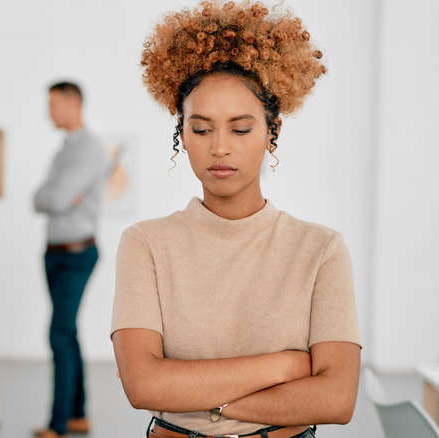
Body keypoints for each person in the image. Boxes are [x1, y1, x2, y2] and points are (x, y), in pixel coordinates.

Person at [111, 2, 362, 438]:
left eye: (241, 129)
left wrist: (205, 398)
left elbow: (337, 399)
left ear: (272, 132)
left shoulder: (320, 249)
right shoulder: (145, 243)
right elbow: (143, 385)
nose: (220, 147)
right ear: (182, 134)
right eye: (202, 129)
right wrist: (285, 365)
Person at [33, 82, 108, 438]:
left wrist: (59, 194)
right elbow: (39, 198)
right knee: (68, 332)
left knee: (59, 334)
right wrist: (57, 195)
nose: (48, 112)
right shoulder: (64, 150)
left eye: (52, 104)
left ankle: (58, 425)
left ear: (72, 103)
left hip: (77, 254)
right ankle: (78, 415)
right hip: (54, 254)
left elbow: (56, 197)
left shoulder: (90, 149)